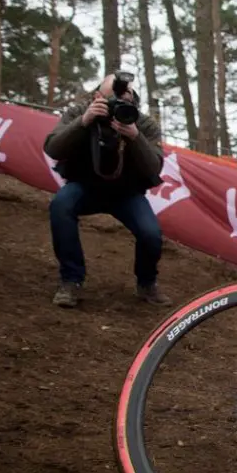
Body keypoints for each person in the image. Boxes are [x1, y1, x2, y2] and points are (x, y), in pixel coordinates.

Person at [43, 72, 169, 308]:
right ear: (97, 96)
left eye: (125, 99)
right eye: (111, 99)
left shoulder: (142, 123)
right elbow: (52, 148)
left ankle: (147, 283)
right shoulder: (80, 111)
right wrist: (84, 121)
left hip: (127, 194)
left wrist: (135, 137)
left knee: (151, 234)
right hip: (84, 187)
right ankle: (71, 280)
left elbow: (155, 166)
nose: (117, 105)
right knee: (61, 206)